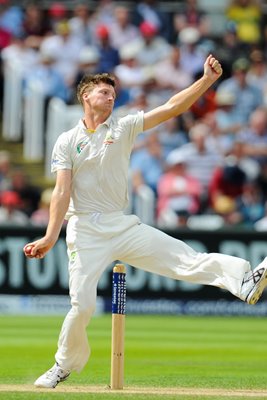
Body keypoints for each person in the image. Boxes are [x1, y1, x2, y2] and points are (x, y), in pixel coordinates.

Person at [23, 55, 267, 389]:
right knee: (82, 306)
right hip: (86, 231)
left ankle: (243, 281)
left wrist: (207, 81)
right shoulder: (67, 140)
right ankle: (62, 366)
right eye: (103, 92)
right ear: (86, 97)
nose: (110, 97)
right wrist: (50, 237)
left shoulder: (122, 126)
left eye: (112, 93)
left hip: (121, 225)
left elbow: (170, 108)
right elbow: (62, 190)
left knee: (185, 259)